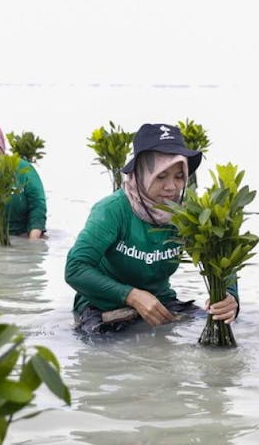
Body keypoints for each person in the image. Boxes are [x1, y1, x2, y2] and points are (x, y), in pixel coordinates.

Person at [64, 123, 239, 333]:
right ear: (140, 173)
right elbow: (75, 269)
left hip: (161, 303)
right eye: (161, 176)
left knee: (221, 326)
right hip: (102, 306)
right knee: (107, 353)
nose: (171, 187)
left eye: (179, 176)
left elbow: (220, 259)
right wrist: (132, 296)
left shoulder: (187, 213)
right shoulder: (111, 210)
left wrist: (229, 297)